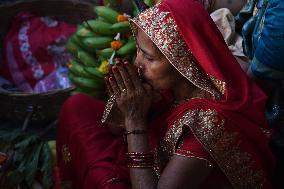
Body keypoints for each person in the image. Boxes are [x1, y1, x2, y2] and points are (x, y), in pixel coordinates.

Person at [56, 0, 276, 188]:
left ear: (184, 64)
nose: (137, 63)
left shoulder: (210, 125)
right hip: (153, 153)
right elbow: (114, 127)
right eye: (139, 51)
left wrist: (135, 120)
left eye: (149, 58)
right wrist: (127, 98)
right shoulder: (174, 85)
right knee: (77, 107)